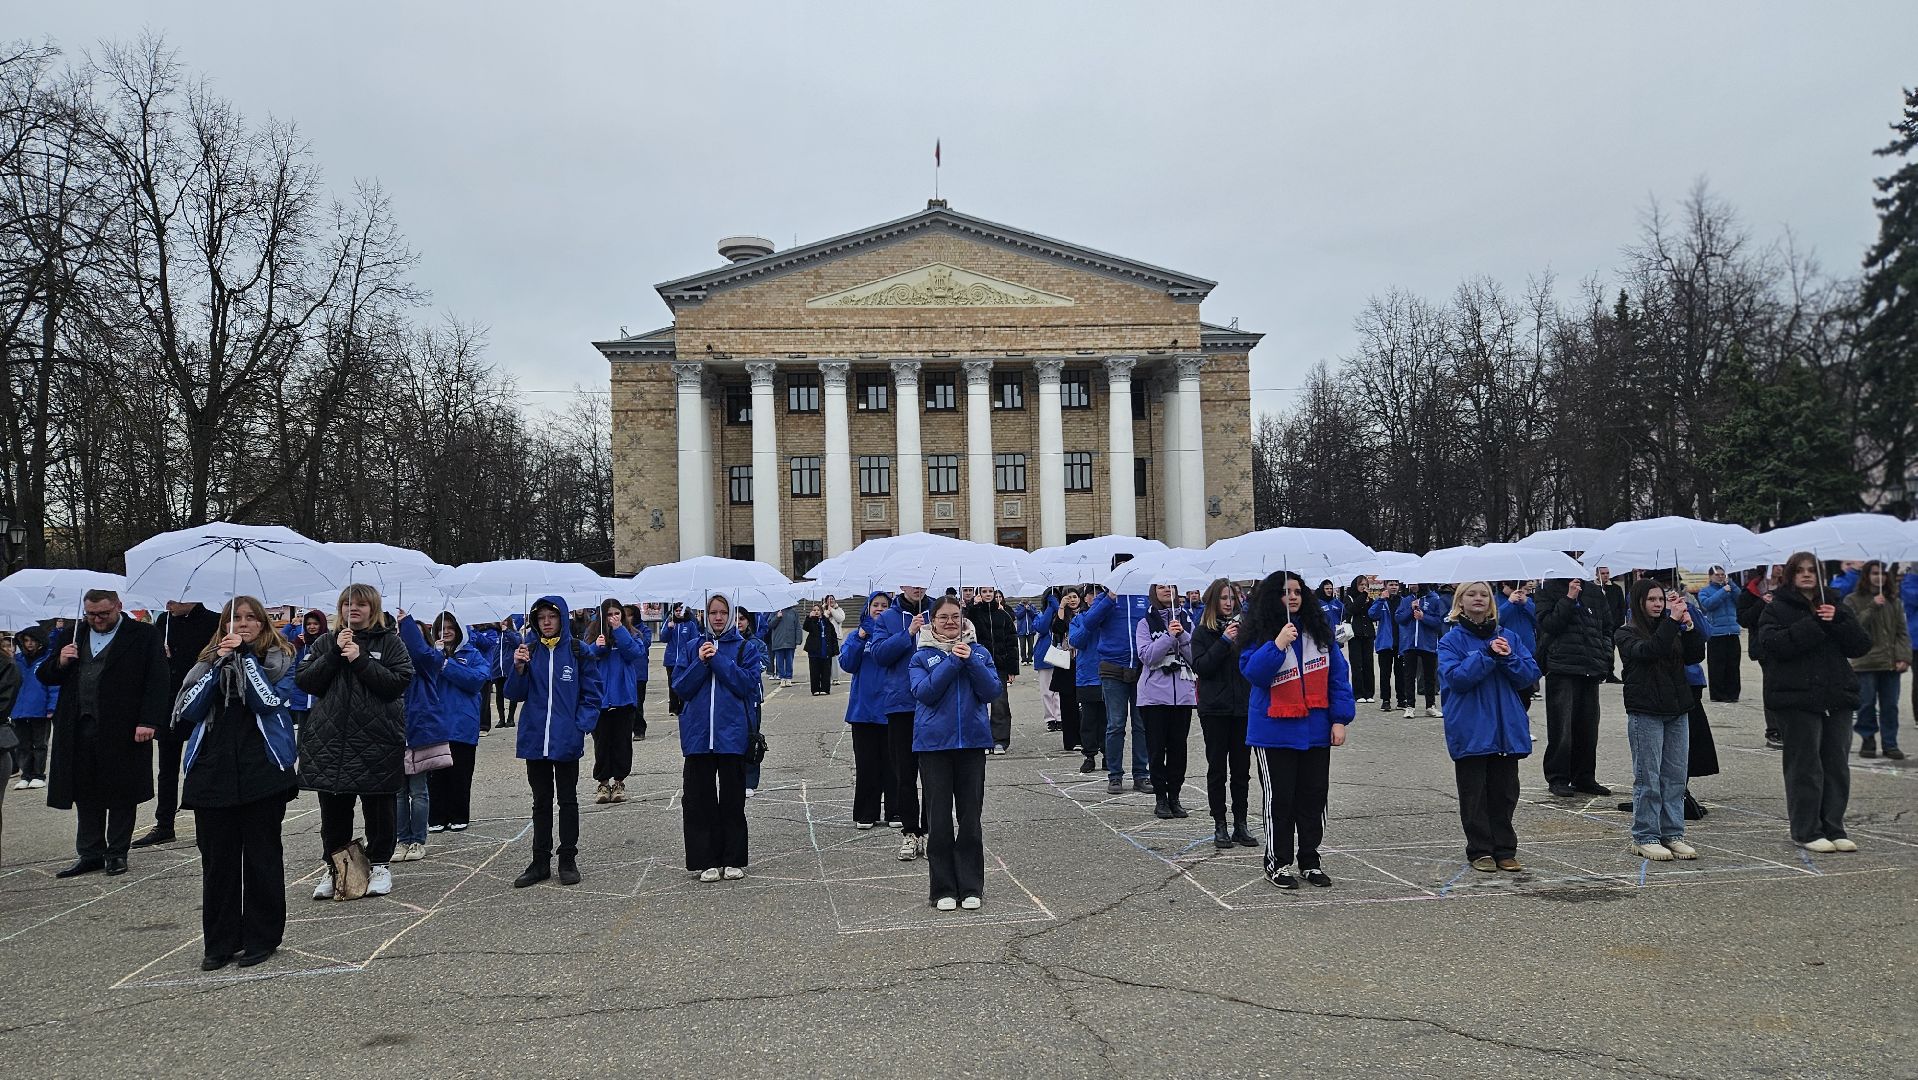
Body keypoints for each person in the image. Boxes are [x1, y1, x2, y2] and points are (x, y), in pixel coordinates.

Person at [169, 596, 299, 970]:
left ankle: (263, 936)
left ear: (262, 623)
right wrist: (218, 665)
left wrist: (245, 659)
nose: (242, 624)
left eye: (250, 618)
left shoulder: (281, 659)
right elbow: (188, 710)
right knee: (217, 861)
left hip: (262, 767)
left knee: (261, 857)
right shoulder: (205, 661)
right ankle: (221, 941)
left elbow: (269, 702)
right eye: (235, 618)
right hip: (213, 770)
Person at [38, 590, 171, 877]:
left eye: (103, 614)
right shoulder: (73, 634)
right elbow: (46, 675)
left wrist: (148, 721)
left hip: (125, 727)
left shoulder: (143, 635)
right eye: (91, 614)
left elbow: (158, 680)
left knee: (122, 791)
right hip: (78, 725)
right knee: (85, 791)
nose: (97, 619)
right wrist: (60, 661)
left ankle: (116, 852)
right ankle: (91, 852)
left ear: (118, 607)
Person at [295, 584, 412, 899]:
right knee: (333, 812)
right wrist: (335, 653)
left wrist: (361, 660)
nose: (353, 609)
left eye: (361, 604)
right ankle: (337, 867)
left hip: (377, 739)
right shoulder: (324, 643)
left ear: (373, 609)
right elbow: (306, 681)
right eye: (347, 604)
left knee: (379, 807)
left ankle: (379, 864)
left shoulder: (390, 643)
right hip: (331, 740)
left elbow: (397, 683)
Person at [1239, 571, 1355, 890]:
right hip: (1274, 731)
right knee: (1281, 800)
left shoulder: (1320, 632)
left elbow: (1338, 679)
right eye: (1285, 592)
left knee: (1314, 797)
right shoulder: (1259, 633)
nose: (1292, 597)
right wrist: (1277, 644)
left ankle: (1309, 859)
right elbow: (1254, 674)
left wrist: (1339, 719)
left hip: (1315, 730)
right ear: (1271, 598)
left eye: (1297, 591)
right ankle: (1277, 862)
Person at [1754, 552, 1872, 853]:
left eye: (1812, 570)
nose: (1807, 575)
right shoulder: (1776, 607)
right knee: (1805, 767)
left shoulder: (1835, 605)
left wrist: (1837, 621)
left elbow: (1860, 645)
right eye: (1800, 571)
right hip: (1796, 698)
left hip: (1836, 697)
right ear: (1791, 575)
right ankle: (1806, 830)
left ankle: (1834, 827)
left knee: (1836, 765)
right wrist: (1815, 624)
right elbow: (1771, 646)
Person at [1437, 581, 1539, 872]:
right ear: (1460, 603)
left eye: (1484, 594)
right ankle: (1480, 849)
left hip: (1505, 727)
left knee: (1505, 791)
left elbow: (1529, 676)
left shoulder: (1509, 636)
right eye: (1471, 594)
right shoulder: (1451, 641)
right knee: (1474, 793)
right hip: (1471, 726)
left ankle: (1505, 848)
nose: (1478, 599)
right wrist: (1487, 656)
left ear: (1492, 602)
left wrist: (1508, 657)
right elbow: (1456, 679)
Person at [909, 593, 1001, 911]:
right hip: (934, 746)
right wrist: (952, 662)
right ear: (933, 622)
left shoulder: (979, 651)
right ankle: (943, 888)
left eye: (955, 616)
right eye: (943, 617)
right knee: (939, 821)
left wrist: (971, 660)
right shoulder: (921, 656)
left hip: (972, 744)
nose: (950, 622)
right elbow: (925, 693)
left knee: (970, 818)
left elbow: (991, 690)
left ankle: (971, 885)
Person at [505, 596, 601, 887]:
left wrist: (579, 726)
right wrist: (518, 668)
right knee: (541, 802)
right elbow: (514, 693)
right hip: (536, 739)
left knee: (568, 800)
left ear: (562, 619)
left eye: (552, 617)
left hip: (565, 739)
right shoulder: (529, 650)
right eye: (541, 618)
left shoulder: (577, 650)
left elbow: (593, 694)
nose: (546, 622)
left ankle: (568, 858)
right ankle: (539, 861)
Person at [1615, 579, 1707, 861]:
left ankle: (1673, 833)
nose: (1658, 604)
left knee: (1675, 777)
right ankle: (1645, 835)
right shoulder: (1626, 632)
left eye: (1661, 599)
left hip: (1677, 708)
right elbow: (1649, 651)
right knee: (1648, 777)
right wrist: (1672, 623)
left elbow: (1694, 655)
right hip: (1646, 711)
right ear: (1639, 603)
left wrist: (1689, 626)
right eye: (1652, 600)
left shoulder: (1673, 628)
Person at [672, 593, 762, 881]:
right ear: (705, 616)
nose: (718, 617)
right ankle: (705, 859)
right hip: (698, 735)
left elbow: (747, 684)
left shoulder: (745, 647)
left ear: (732, 615)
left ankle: (732, 858)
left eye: (724, 612)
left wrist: (719, 661)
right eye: (713, 612)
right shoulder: (690, 647)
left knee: (733, 800)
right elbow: (681, 688)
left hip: (732, 735)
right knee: (700, 800)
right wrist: (700, 661)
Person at [134, 599, 220, 849]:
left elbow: (214, 659)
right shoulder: (164, 621)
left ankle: (206, 819)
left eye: (174, 599)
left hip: (200, 699)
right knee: (166, 768)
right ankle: (164, 823)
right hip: (170, 702)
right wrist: (162, 656)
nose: (168, 603)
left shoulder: (213, 621)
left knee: (202, 763)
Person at [1070, 569, 1152, 795]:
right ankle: (1114, 775)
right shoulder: (1103, 598)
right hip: (1112, 668)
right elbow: (1088, 623)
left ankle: (1141, 774)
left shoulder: (1143, 596)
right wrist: (1109, 599)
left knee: (1141, 724)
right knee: (1115, 724)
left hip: (1140, 667)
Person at [1536, 575, 1614, 799]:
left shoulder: (1594, 591)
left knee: (1588, 727)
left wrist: (1605, 657)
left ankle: (1585, 776)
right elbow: (1548, 624)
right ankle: (1558, 777)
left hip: (1591, 665)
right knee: (1562, 728)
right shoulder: (1548, 589)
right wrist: (1569, 599)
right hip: (1562, 666)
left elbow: (1606, 627)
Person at [1191, 579, 1255, 850]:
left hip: (1242, 708)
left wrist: (1240, 639)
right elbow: (1202, 667)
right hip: (1214, 709)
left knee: (1242, 770)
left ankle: (1241, 822)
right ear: (1214, 602)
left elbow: (1253, 664)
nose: (1229, 603)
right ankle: (1220, 823)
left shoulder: (1246, 629)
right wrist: (1224, 640)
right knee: (1217, 768)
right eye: (1224, 598)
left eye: (1233, 598)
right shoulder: (1202, 632)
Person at [390, 609, 449, 862]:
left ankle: (417, 840)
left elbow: (418, 651)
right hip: (394, 732)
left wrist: (406, 622)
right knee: (399, 792)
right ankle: (402, 839)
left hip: (419, 732)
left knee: (418, 789)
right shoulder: (391, 662)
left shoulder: (426, 663)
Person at [1134, 583, 1197, 819]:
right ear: (1153, 591)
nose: (1166, 590)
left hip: (1182, 695)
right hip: (1153, 697)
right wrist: (1169, 637)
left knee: (1178, 749)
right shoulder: (1145, 623)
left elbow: (1195, 658)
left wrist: (1183, 636)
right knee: (1157, 749)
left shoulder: (1187, 621)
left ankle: (1175, 796)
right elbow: (1147, 657)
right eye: (1161, 586)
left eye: (1170, 586)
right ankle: (1161, 797)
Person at [421, 612, 487, 832]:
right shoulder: (430, 655)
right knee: (436, 774)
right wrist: (434, 659)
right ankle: (436, 816)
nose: (446, 632)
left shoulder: (473, 654)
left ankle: (459, 814)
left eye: (450, 627)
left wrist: (447, 664)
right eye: (441, 628)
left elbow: (476, 681)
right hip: (436, 722)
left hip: (462, 724)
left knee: (460, 774)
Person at [838, 592, 897, 828]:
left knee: (894, 764)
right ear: (868, 608)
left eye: (885, 605)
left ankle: (895, 810)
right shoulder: (856, 635)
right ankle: (866, 811)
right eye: (876, 605)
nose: (880, 609)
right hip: (863, 710)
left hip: (891, 708)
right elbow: (847, 664)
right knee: (866, 764)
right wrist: (862, 636)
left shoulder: (894, 635)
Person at [1843, 561, 1910, 760]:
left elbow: (1901, 632)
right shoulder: (1852, 600)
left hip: (1890, 662)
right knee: (1866, 704)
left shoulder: (1894, 601)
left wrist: (1903, 656)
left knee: (1890, 705)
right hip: (1865, 662)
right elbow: (1854, 628)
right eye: (1874, 573)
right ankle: (1868, 739)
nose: (1878, 577)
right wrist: (1872, 606)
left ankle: (1890, 743)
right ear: (1866, 575)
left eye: (1882, 573)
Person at [585, 599, 645, 803]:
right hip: (600, 699)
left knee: (622, 743)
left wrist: (620, 631)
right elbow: (585, 657)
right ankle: (603, 782)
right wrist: (596, 647)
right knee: (601, 743)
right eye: (609, 614)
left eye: (617, 614)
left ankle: (619, 782)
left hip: (623, 699)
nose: (613, 618)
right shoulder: (593, 633)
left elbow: (634, 654)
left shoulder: (632, 634)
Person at [965, 587, 1020, 754]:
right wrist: (971, 607)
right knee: (976, 703)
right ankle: (980, 740)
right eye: (984, 591)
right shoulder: (973, 614)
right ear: (979, 594)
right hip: (977, 665)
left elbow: (1012, 643)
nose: (988, 595)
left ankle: (999, 740)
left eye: (991, 591)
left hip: (1000, 665)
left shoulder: (1004, 615)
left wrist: (1012, 669)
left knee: (1000, 704)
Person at [1738, 567, 1785, 749]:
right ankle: (1774, 730)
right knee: (1772, 685)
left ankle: (1789, 727)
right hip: (1765, 645)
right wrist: (1761, 603)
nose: (1779, 567)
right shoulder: (1751, 590)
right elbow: (1743, 618)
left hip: (1788, 643)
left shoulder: (1788, 588)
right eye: (1775, 564)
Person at [9, 626, 57, 789]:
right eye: (26, 641)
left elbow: (54, 685)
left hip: (40, 708)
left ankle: (38, 774)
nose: (29, 644)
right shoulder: (16, 660)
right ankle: (26, 774)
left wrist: (52, 707)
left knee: (40, 744)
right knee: (22, 745)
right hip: (19, 709)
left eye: (33, 641)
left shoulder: (47, 659)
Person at [1395, 585, 1445, 718]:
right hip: (1409, 643)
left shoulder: (1434, 599)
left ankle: (1430, 706)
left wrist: (1423, 617)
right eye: (1410, 583)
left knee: (1429, 676)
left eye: (1415, 583)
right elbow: (1399, 619)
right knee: (1409, 676)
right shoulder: (1406, 600)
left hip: (1428, 643)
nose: (1413, 586)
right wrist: (1410, 610)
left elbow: (1439, 622)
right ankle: (1410, 706)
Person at [1696, 567, 1743, 703]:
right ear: (1710, 576)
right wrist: (1723, 591)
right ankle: (1718, 694)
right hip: (1716, 633)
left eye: (1723, 574)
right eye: (1717, 575)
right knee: (1717, 665)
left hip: (1732, 631)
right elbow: (1708, 605)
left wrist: (1732, 586)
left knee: (1733, 665)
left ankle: (1733, 694)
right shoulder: (1705, 591)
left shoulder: (1730, 588)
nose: (1721, 577)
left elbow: (1740, 601)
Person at [1495, 582, 1540, 709]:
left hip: (1527, 651)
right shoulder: (1496, 599)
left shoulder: (1527, 601)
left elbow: (1539, 620)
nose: (1518, 592)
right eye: (1514, 588)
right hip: (1506, 652)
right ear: (1504, 585)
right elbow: (1495, 620)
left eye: (1521, 588)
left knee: (1525, 699)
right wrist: (1509, 603)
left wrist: (1527, 603)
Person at [1369, 581, 1403, 713]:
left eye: (1395, 584)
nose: (1393, 587)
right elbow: (1372, 615)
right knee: (1385, 674)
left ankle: (1402, 700)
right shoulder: (1381, 601)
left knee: (1400, 673)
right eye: (1391, 584)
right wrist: (1380, 600)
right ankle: (1386, 700)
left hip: (1400, 642)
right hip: (1385, 642)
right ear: (1385, 586)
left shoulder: (1403, 601)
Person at [621, 604, 654, 739]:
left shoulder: (644, 630)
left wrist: (631, 632)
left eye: (629, 615)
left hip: (639, 672)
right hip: (625, 672)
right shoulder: (620, 631)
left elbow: (645, 644)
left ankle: (639, 729)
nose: (627, 618)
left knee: (638, 703)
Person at [1344, 577, 1376, 703]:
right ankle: (1358, 693)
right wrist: (1363, 597)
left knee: (1368, 663)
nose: (1363, 587)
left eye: (1365, 584)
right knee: (1357, 664)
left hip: (1368, 634)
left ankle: (1369, 692)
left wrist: (1369, 601)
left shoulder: (1368, 599)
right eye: (1361, 584)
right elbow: (1352, 610)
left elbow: (1372, 614)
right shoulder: (1349, 597)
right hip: (1355, 634)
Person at [803, 602, 840, 696]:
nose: (816, 612)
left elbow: (833, 636)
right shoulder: (812, 621)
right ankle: (815, 689)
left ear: (821, 611)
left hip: (825, 648)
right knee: (814, 671)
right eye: (814, 610)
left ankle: (825, 688)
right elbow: (806, 627)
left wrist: (835, 649)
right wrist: (809, 617)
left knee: (826, 670)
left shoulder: (826, 621)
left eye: (818, 610)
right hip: (814, 650)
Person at [768, 603, 803, 688]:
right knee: (779, 661)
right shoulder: (774, 612)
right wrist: (777, 617)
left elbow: (798, 626)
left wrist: (798, 639)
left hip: (790, 641)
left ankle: (788, 677)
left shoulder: (793, 612)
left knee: (789, 661)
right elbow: (770, 625)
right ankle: (782, 677)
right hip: (778, 641)